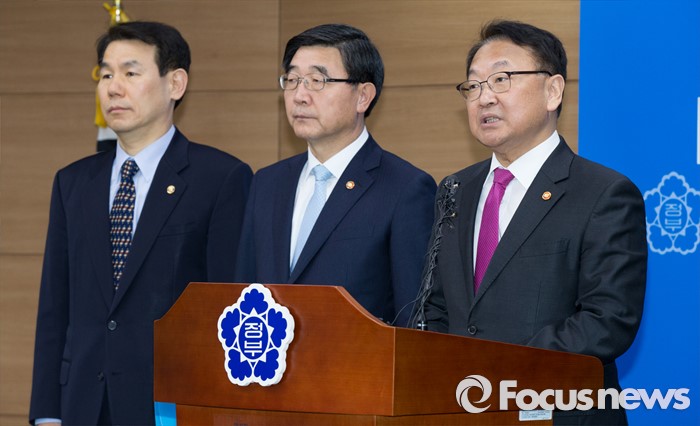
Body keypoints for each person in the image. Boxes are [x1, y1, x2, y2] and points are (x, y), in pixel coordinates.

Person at [416, 20, 647, 425]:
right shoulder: (455, 189)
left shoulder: (603, 193)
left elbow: (606, 322)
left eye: (501, 79)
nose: (484, 97)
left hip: (557, 414)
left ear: (553, 91)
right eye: (473, 85)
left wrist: (498, 369)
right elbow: (434, 306)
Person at [29, 21, 252, 425]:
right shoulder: (73, 182)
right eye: (106, 74)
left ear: (176, 83)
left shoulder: (220, 179)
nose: (114, 88)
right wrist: (46, 414)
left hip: (171, 405)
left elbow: (228, 310)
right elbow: (55, 308)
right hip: (82, 405)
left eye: (131, 73)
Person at [236, 23, 436, 327]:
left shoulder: (405, 189)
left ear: (363, 96)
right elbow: (241, 297)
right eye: (292, 80)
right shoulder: (267, 183)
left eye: (317, 81)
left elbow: (412, 320)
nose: (299, 95)